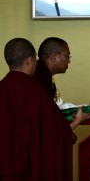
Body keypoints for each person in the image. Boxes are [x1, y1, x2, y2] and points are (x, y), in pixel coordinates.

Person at [0, 38, 75, 181]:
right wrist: (76, 122)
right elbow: (55, 134)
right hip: (26, 169)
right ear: (29, 60)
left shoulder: (2, 88)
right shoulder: (37, 93)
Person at [33, 37, 90, 143]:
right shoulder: (38, 78)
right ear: (54, 57)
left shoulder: (44, 75)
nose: (69, 61)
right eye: (67, 56)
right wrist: (76, 122)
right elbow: (44, 122)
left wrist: (73, 109)